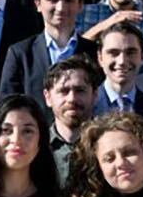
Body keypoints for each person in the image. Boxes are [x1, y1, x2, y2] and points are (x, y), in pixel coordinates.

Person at [0, 0, 94, 100]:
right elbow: (8, 104)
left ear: (80, 5)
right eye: (52, 0)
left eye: (69, 0)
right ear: (38, 4)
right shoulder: (20, 54)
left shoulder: (95, 53)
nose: (61, 8)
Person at [40, 55, 101, 185]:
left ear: (95, 95)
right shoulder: (37, 147)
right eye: (63, 91)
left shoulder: (108, 145)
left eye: (80, 90)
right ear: (48, 97)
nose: (72, 99)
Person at [93, 21, 143, 121]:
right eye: (114, 53)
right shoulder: (86, 106)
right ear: (100, 58)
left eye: (130, 53)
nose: (122, 61)